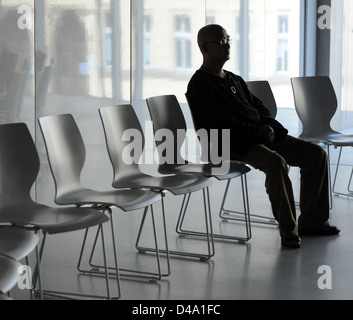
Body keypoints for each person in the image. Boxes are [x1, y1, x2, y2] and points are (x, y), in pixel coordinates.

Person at [186, 24, 340, 249]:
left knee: (316, 154)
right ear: (204, 49)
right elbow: (219, 124)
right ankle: (289, 231)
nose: (227, 44)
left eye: (228, 38)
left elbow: (260, 108)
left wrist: (270, 127)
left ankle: (314, 223)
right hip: (232, 144)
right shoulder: (200, 84)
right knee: (276, 163)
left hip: (260, 137)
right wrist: (260, 132)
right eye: (221, 41)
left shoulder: (234, 79)